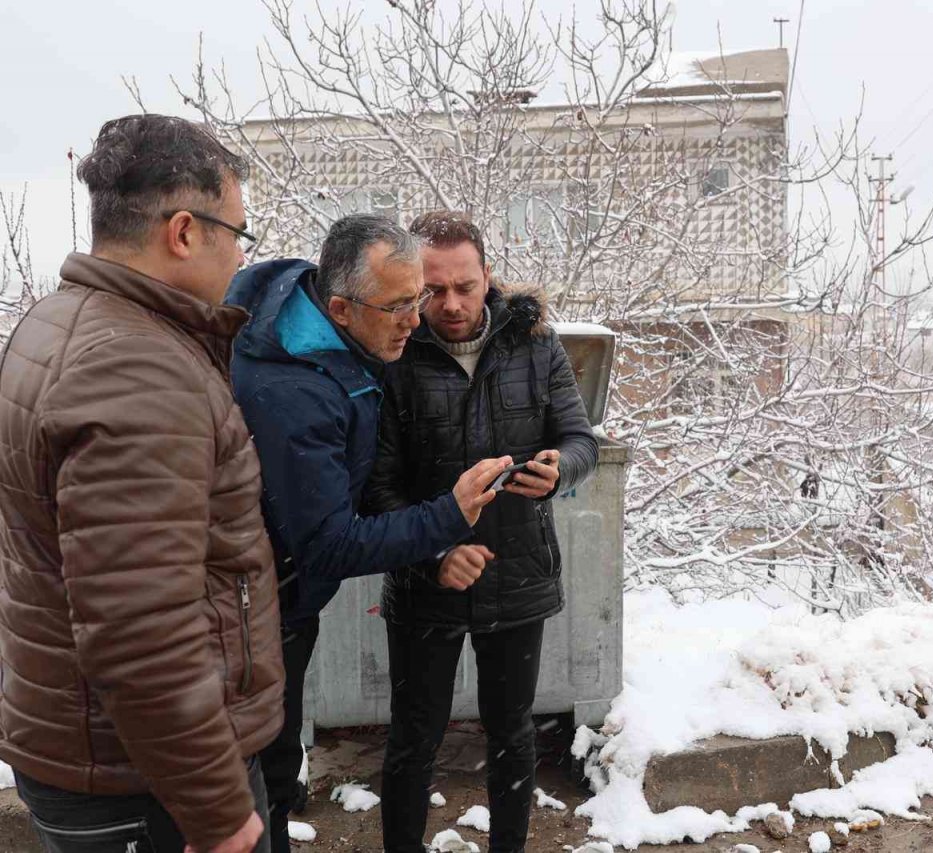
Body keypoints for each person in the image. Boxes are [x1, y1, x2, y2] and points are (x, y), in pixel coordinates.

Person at [0, 114, 282, 853]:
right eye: (238, 234)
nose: (239, 258)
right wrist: (218, 810)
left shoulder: (60, 322)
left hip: (100, 751)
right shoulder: (137, 367)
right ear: (185, 231)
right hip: (145, 781)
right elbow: (140, 628)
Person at [225, 214, 512, 852]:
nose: (418, 319)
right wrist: (448, 516)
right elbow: (328, 543)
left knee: (272, 770)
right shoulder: (295, 394)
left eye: (419, 299)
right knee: (263, 781)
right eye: (401, 305)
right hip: (259, 613)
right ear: (340, 307)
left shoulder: (330, 332)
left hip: (276, 600)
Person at [365, 211, 599, 853]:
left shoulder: (535, 344)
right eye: (432, 290)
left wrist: (562, 470)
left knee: (512, 733)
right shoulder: (393, 353)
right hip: (424, 583)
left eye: (465, 286)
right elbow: (376, 484)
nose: (451, 304)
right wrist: (435, 550)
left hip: (518, 571)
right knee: (413, 738)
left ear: (487, 275)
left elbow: (580, 439)